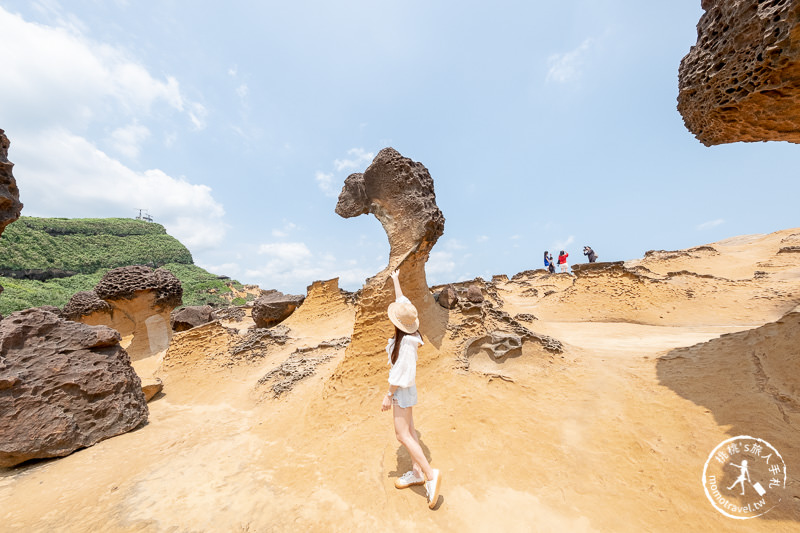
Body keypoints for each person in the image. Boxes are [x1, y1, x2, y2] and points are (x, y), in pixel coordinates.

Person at [381, 268, 442, 509]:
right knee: (412, 431)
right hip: (406, 390)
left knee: (401, 434)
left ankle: (429, 474)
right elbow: (402, 303)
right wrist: (396, 279)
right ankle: (417, 473)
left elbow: (401, 374)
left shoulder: (406, 343)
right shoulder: (410, 330)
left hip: (402, 390)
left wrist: (388, 395)